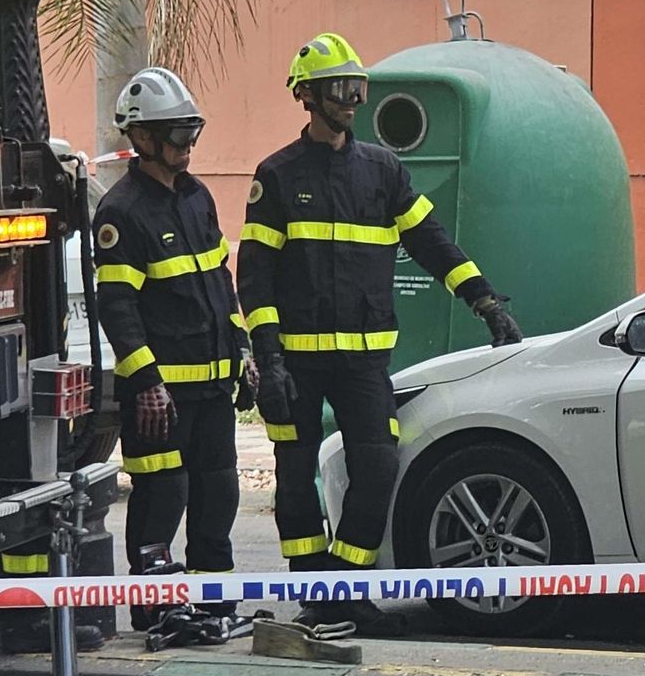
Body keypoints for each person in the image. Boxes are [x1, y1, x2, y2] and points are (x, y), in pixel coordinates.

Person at [238, 32, 521, 637]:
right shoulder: (278, 176)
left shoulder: (383, 170)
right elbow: (254, 279)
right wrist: (269, 357)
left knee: (376, 466)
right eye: (340, 89)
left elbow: (432, 243)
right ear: (308, 96)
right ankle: (311, 586)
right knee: (296, 474)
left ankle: (346, 582)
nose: (351, 100)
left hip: (364, 364)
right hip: (295, 361)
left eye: (358, 88)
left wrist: (485, 301)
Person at [92, 66, 257, 636]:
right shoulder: (121, 211)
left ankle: (213, 601)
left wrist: (243, 349)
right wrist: (147, 383)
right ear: (141, 138)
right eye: (176, 133)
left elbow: (220, 281)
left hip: (213, 386)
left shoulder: (197, 198)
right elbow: (117, 308)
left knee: (219, 493)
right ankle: (156, 605)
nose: (187, 145)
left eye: (192, 132)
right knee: (165, 495)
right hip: (161, 395)